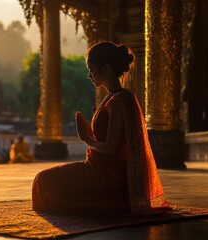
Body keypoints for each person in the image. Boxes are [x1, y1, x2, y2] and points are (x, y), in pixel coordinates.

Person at [32, 42, 168, 214]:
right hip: (97, 168)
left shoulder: (118, 101)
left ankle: (100, 204)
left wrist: (87, 139)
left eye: (92, 69)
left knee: (44, 181)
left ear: (106, 68)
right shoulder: (111, 98)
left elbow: (111, 148)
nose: (89, 75)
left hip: (106, 176)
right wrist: (90, 134)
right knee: (43, 181)